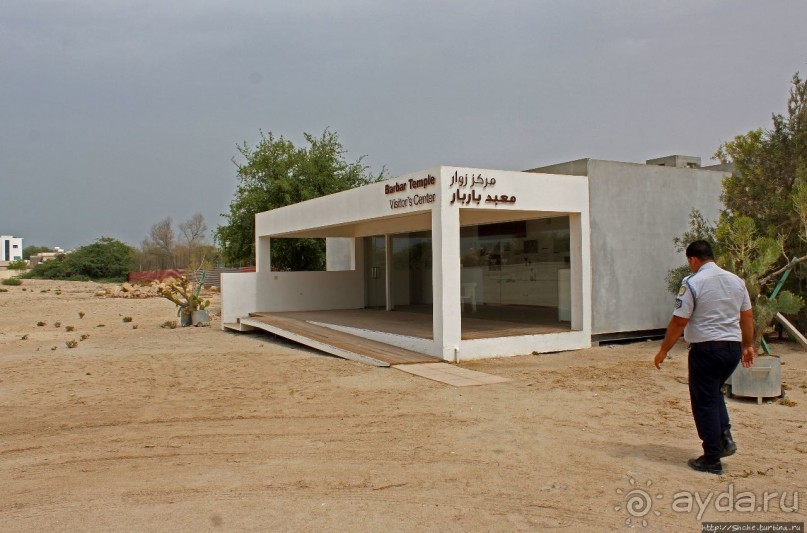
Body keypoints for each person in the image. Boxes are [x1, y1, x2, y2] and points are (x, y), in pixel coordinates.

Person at [653, 240, 755, 475]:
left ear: (693, 260)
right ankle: (724, 438)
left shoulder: (692, 283)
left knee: (704, 401)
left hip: (706, 350)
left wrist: (663, 350)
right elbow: (747, 317)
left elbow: (680, 320)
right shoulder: (736, 281)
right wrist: (747, 345)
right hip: (732, 348)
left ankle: (711, 458)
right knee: (714, 391)